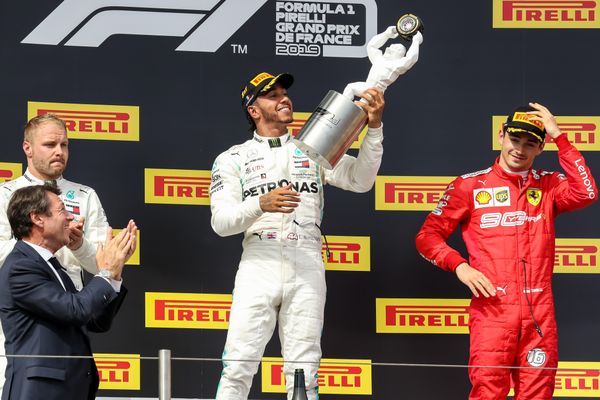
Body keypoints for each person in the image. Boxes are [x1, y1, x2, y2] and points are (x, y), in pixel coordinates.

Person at [210, 71, 385, 399]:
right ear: (253, 110)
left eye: (284, 93)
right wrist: (261, 204)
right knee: (238, 364)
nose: (284, 99)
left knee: (303, 369)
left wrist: (373, 129)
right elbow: (221, 222)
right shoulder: (233, 158)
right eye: (272, 95)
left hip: (306, 259)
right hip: (258, 260)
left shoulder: (313, 146)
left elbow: (361, 181)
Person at [415, 103, 597, 399]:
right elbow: (427, 237)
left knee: (538, 395)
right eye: (515, 140)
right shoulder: (470, 186)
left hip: (539, 315)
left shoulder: (549, 185)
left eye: (530, 144)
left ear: (541, 148)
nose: (520, 149)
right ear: (501, 135)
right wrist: (460, 266)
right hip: (492, 311)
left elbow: (586, 192)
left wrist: (560, 137)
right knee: (488, 393)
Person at [0, 114, 109, 390]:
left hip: (70, 312)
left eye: (64, 145)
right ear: (28, 148)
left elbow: (103, 265)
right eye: (50, 144)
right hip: (21, 315)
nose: (59, 152)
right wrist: (51, 239)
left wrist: (78, 245)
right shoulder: (5, 194)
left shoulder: (86, 196)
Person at [0, 185, 136, 400]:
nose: (71, 217)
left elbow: (96, 322)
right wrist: (106, 270)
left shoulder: (53, 266)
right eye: (62, 210)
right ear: (37, 218)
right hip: (40, 392)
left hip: (70, 390)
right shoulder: (21, 267)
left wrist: (115, 274)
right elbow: (76, 310)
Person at [343, 26, 422, 99]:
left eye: (396, 49)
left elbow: (411, 58)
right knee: (350, 88)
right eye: (392, 46)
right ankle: (342, 110)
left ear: (399, 55)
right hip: (367, 86)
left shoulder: (396, 65)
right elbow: (371, 46)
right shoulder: (379, 59)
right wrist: (387, 34)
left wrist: (416, 41)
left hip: (376, 92)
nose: (391, 49)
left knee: (362, 106)